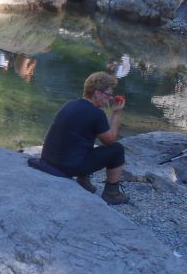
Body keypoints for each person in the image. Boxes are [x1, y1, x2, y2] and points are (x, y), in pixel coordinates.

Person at [41, 72, 129, 205]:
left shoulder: (70, 104)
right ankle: (112, 193)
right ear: (97, 93)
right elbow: (110, 141)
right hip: (67, 167)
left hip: (48, 159)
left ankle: (84, 180)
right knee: (117, 150)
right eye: (108, 94)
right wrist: (116, 113)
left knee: (84, 141)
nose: (110, 99)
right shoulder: (96, 114)